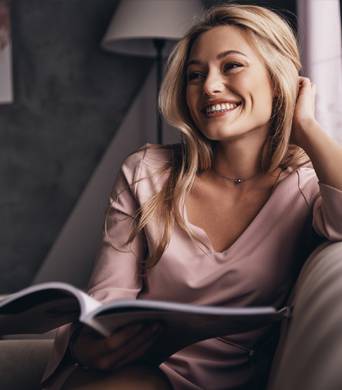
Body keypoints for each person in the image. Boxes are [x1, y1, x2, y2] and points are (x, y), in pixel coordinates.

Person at [41, 3, 342, 390]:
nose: (209, 86)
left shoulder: (303, 186)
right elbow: (109, 295)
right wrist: (88, 345)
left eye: (231, 65)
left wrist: (306, 125)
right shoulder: (148, 172)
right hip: (117, 369)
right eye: (195, 75)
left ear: (278, 77)